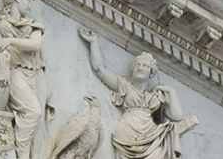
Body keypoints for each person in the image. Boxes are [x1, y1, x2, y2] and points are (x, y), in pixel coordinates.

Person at [78, 28, 199, 159]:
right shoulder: (123, 85)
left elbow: (176, 116)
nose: (140, 68)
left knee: (168, 131)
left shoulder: (156, 96)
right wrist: (93, 42)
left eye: (145, 66)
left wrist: (172, 92)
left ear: (151, 73)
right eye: (138, 65)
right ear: (133, 68)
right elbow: (99, 69)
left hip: (152, 134)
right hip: (128, 132)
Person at [0, 0, 46, 158]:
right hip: (13, 71)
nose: (30, 3)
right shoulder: (1, 24)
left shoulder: (34, 25)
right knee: (33, 111)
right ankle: (22, 154)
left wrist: (11, 41)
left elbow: (35, 44)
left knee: (36, 120)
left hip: (33, 74)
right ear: (16, 0)